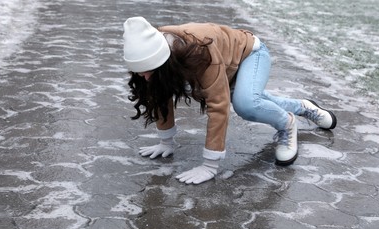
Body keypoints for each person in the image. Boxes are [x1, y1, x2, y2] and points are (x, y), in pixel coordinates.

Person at [123, 16, 337, 185]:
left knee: (246, 104)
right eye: (140, 72)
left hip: (250, 53)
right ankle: (303, 107)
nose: (145, 76)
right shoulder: (148, 49)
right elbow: (160, 95)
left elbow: (218, 107)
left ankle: (287, 124)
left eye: (149, 71)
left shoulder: (199, 52)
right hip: (226, 63)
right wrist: (165, 141)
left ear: (165, 61)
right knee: (254, 99)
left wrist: (209, 165)